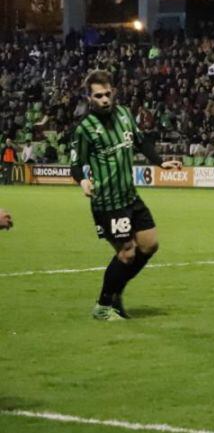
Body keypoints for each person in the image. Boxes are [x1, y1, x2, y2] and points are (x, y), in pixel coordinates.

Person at [69, 70, 182, 321]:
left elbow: (141, 142)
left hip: (130, 196)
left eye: (108, 94)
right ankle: (103, 306)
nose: (105, 99)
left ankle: (116, 291)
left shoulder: (124, 115)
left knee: (150, 244)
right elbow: (75, 165)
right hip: (108, 202)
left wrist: (160, 163)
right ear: (90, 98)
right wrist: (83, 180)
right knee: (127, 253)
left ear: (114, 92)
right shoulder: (85, 129)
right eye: (99, 96)